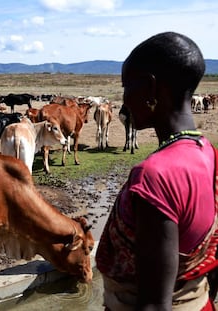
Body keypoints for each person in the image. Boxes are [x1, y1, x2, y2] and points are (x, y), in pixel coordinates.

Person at [96, 31, 218, 311]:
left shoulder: (154, 175)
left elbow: (154, 304)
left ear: (151, 88)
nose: (124, 99)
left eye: (127, 86)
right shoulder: (209, 153)